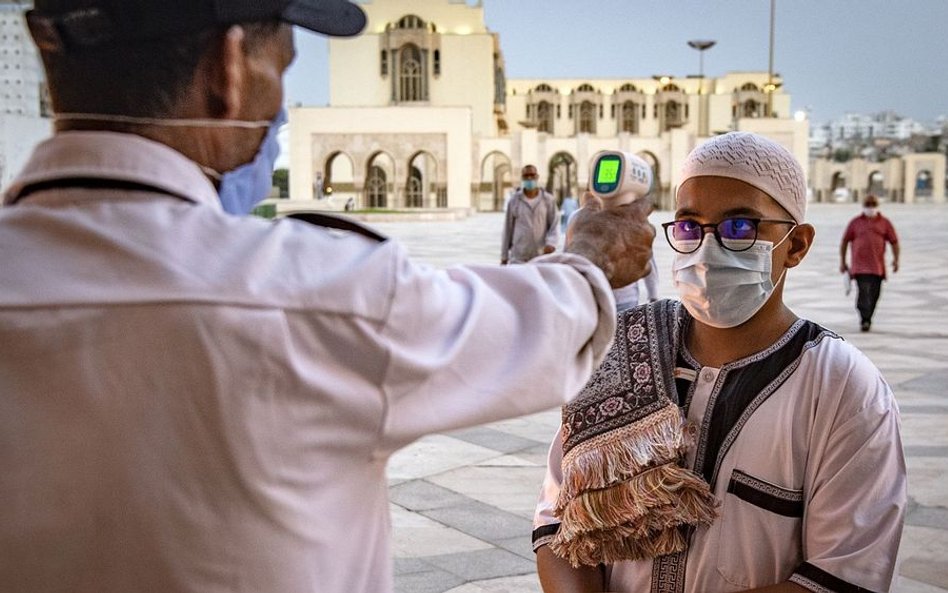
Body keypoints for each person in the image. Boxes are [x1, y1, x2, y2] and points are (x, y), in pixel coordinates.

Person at [0, 3, 657, 593]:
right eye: (281, 65)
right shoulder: (321, 293)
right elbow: (538, 325)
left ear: (45, 48)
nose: (280, 108)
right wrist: (593, 251)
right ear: (230, 67)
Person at [533, 132, 906, 593]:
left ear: (796, 245)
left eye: (739, 227)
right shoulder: (623, 349)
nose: (707, 252)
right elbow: (558, 525)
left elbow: (844, 575)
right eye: (690, 226)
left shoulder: (840, 387)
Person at [839, 194, 900, 332]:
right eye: (868, 205)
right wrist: (843, 261)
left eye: (873, 204)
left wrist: (896, 260)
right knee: (864, 292)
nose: (870, 208)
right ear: (863, 206)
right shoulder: (855, 222)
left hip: (877, 267)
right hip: (860, 267)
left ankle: (868, 317)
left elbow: (894, 242)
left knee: (874, 294)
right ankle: (865, 318)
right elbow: (844, 241)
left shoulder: (885, 223)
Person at [501, 164, 560, 264]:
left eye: (532, 175)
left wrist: (551, 243)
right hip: (519, 256)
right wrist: (504, 256)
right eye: (526, 176)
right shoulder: (515, 200)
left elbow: (554, 224)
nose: (529, 178)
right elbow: (508, 229)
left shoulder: (548, 200)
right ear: (522, 178)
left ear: (537, 177)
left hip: (540, 257)